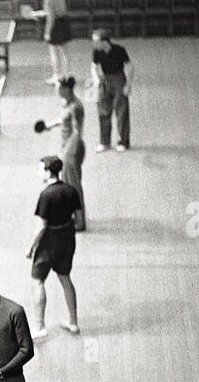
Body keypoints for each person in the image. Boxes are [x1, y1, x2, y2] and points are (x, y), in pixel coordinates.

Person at [27, 156, 81, 340]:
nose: (37, 172)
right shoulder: (70, 190)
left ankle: (40, 327)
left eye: (40, 168)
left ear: (49, 171)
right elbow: (79, 217)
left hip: (49, 242)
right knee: (65, 278)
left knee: (37, 282)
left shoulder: (46, 195)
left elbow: (41, 225)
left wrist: (31, 247)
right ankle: (73, 322)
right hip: (67, 237)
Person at [40, 76, 87, 230]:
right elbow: (62, 120)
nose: (57, 90)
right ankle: (74, 216)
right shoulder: (66, 103)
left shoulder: (76, 107)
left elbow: (77, 132)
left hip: (73, 149)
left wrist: (68, 153)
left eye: (59, 87)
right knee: (68, 184)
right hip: (66, 148)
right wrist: (49, 125)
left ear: (67, 89)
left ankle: (80, 222)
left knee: (73, 187)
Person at [90, 28, 133, 152]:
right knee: (103, 110)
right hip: (104, 79)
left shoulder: (119, 50)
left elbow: (130, 67)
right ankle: (104, 142)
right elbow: (93, 67)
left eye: (96, 41)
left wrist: (128, 84)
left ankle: (123, 142)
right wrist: (96, 79)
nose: (94, 44)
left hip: (118, 79)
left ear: (105, 42)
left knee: (122, 111)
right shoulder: (97, 52)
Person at [36, 0, 72, 80]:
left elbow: (51, 18)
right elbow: (53, 12)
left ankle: (57, 76)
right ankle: (68, 74)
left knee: (54, 52)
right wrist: (36, 13)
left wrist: (47, 33)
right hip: (64, 23)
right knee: (65, 52)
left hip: (55, 26)